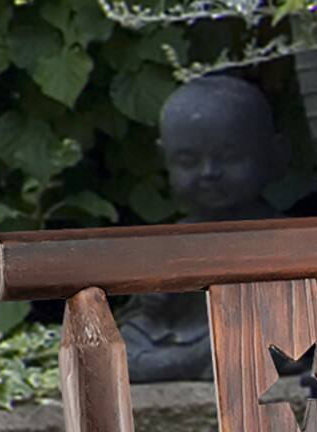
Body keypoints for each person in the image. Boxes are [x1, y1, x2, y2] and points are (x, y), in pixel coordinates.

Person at [121, 74, 287, 383]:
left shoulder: (286, 239)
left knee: (266, 343)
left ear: (276, 153)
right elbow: (141, 320)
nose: (209, 173)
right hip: (181, 340)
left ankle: (192, 362)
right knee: (116, 348)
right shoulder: (173, 240)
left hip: (247, 339)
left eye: (230, 158)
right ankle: (192, 362)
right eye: (188, 161)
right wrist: (155, 304)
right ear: (164, 159)